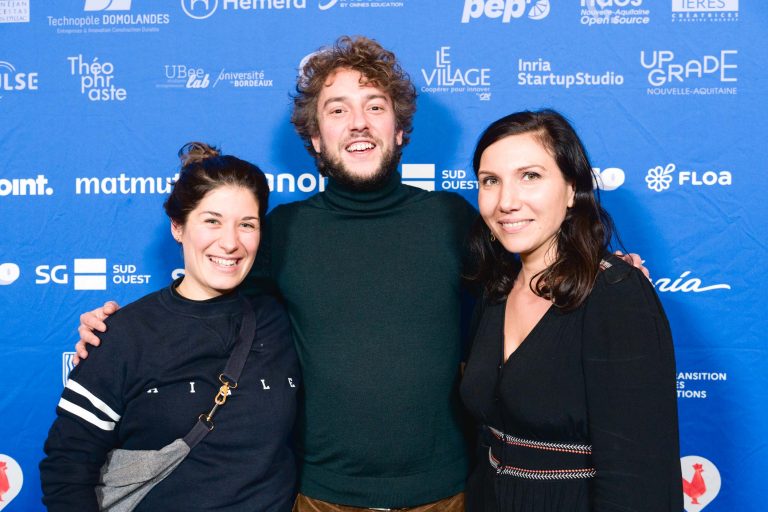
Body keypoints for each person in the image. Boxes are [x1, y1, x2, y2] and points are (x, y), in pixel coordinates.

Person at [74, 37, 646, 511]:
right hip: (320, 497)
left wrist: (604, 274)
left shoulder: (452, 220)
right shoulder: (283, 232)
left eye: (375, 105)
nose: (358, 122)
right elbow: (206, 296)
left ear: (400, 130)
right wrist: (119, 334)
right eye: (337, 109)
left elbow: (534, 279)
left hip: (448, 496)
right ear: (316, 139)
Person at [40, 143, 299, 511]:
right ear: (178, 227)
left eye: (247, 225)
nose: (230, 242)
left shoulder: (281, 319)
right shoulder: (124, 334)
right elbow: (67, 469)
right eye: (212, 220)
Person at [459, 110, 682, 511]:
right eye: (491, 181)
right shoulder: (495, 291)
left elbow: (639, 477)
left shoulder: (616, 294)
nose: (507, 201)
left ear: (570, 189)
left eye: (530, 176)